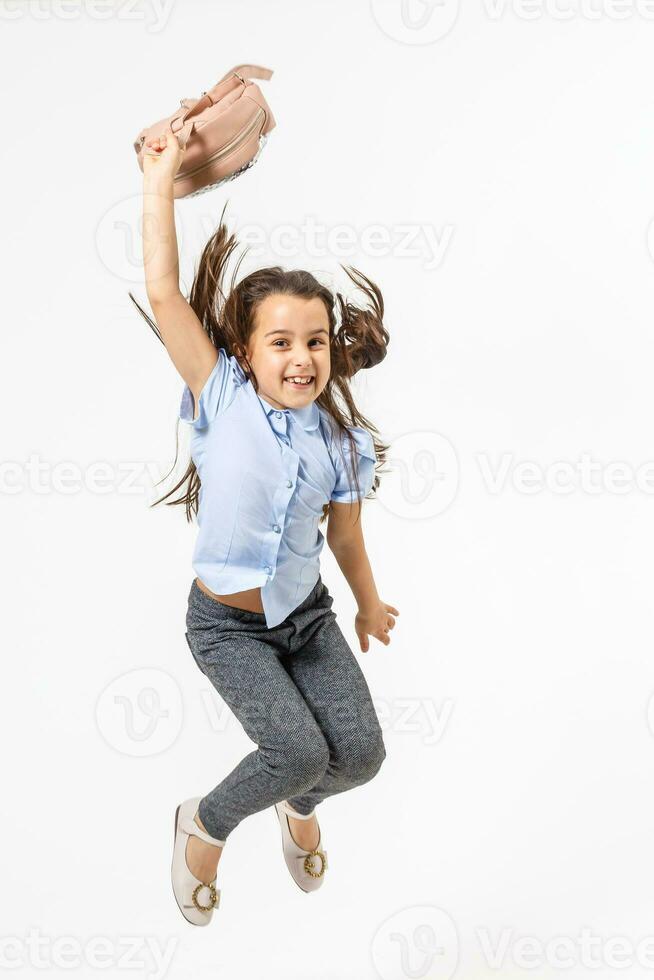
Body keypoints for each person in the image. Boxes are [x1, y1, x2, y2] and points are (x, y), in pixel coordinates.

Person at [133, 129, 400, 926]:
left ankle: (297, 804)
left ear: (331, 349)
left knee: (361, 757)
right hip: (227, 629)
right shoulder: (219, 396)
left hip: (307, 619)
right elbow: (162, 289)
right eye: (279, 342)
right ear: (245, 353)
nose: (300, 358)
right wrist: (159, 181)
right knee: (297, 752)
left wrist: (368, 605)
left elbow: (346, 539)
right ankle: (203, 825)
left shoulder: (342, 444)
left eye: (313, 342)